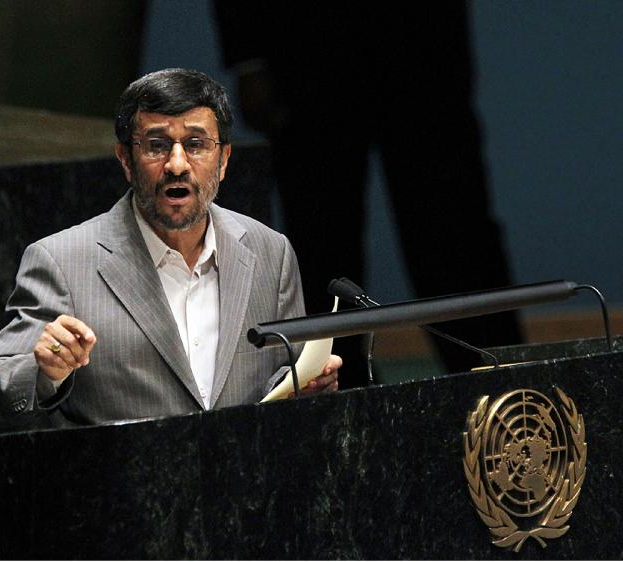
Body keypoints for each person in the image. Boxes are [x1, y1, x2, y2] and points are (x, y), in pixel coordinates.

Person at [0, 68, 340, 432]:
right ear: (126, 160)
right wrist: (43, 374)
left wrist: (306, 388)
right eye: (157, 146)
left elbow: (281, 377)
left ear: (224, 160)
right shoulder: (62, 262)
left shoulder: (269, 252)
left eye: (195, 145)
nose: (177, 165)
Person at [214, 2, 524, 385]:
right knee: (320, 239)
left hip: (418, 32)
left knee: (453, 228)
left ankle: (507, 397)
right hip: (304, 37)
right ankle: (333, 409)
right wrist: (249, 57)